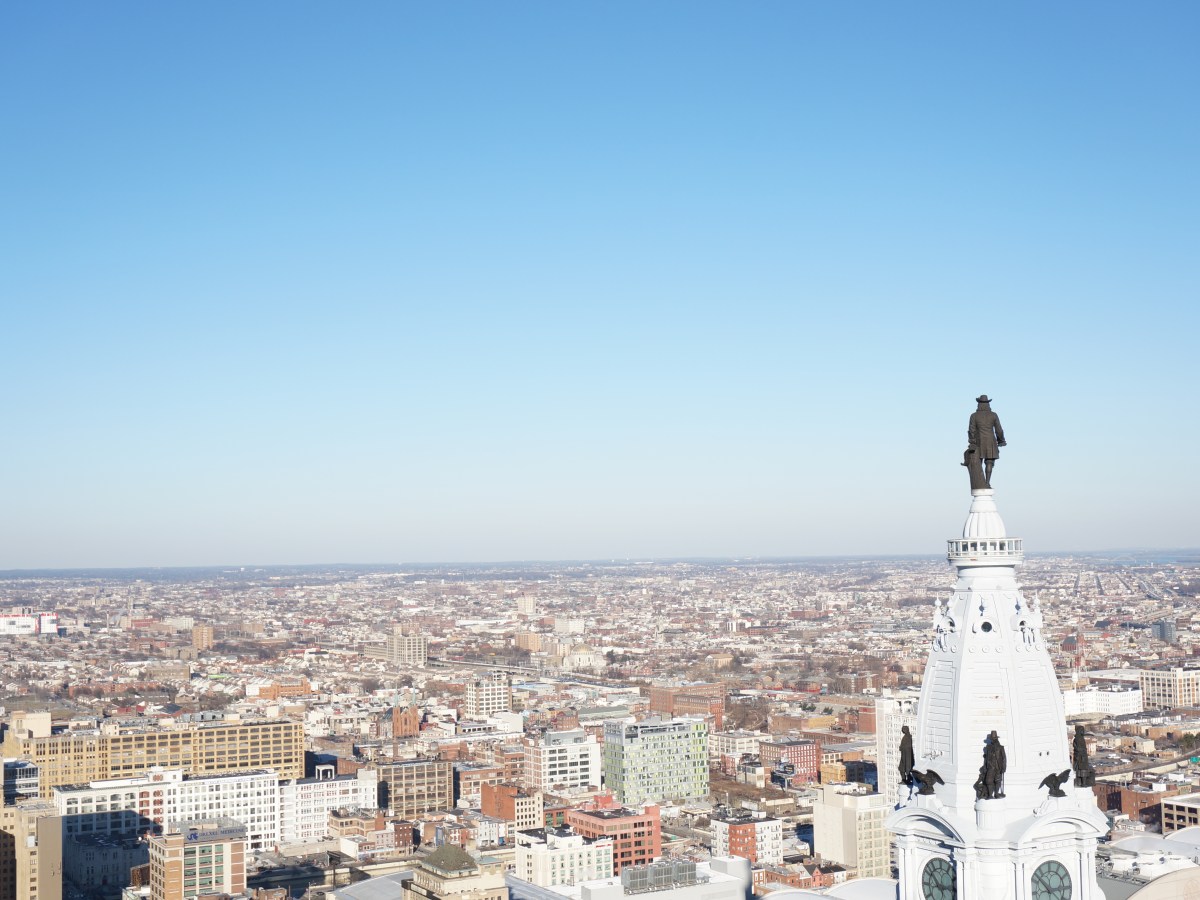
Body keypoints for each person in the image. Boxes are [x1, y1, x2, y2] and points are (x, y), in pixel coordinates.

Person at [967, 396, 1006, 488]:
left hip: (978, 442)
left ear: (979, 404)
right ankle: (987, 483)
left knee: (978, 463)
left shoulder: (974, 415)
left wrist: (972, 442)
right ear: (988, 404)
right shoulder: (993, 415)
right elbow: (999, 430)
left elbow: (971, 430)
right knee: (989, 462)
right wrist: (1001, 440)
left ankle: (980, 483)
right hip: (990, 441)